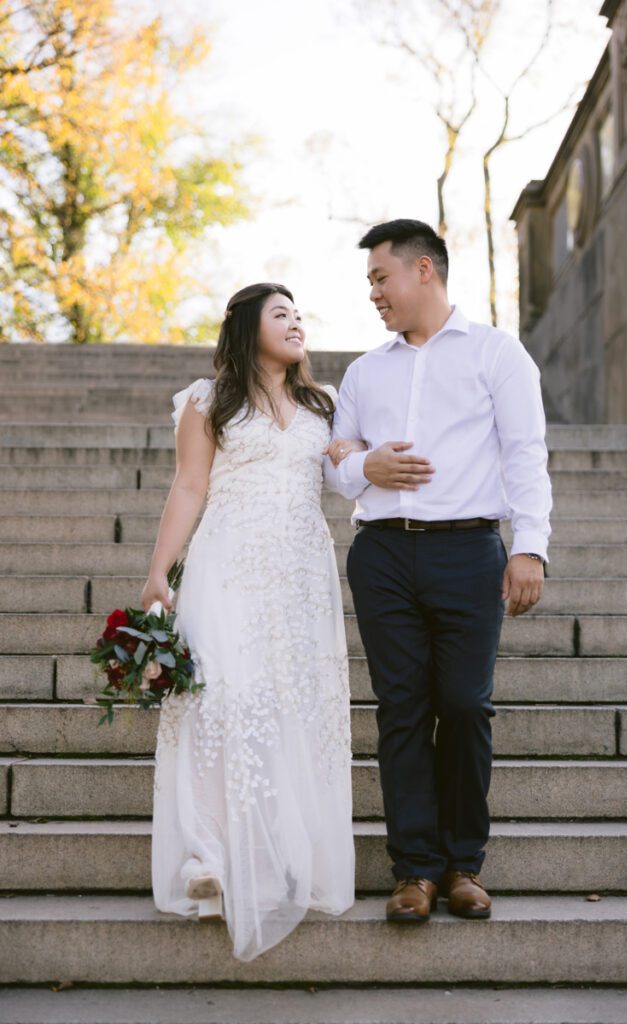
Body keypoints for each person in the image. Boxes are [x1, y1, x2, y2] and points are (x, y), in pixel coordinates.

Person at [323, 219, 552, 924]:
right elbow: (335, 459)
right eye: (369, 283)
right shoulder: (365, 371)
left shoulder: (495, 354)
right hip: (382, 554)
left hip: (468, 550)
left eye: (379, 278)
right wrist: (368, 467)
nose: (373, 294)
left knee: (463, 704)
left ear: (424, 270)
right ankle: (414, 870)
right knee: (399, 709)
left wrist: (529, 546)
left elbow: (524, 452)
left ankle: (463, 864)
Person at [141, 283, 363, 962]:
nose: (296, 323)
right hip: (227, 566)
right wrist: (159, 573)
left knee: (287, 706)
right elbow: (188, 486)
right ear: (247, 327)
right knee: (218, 699)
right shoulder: (208, 401)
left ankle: (274, 853)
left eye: (300, 314)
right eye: (280, 315)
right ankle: (206, 853)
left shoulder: (322, 407)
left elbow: (345, 473)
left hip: (300, 576)